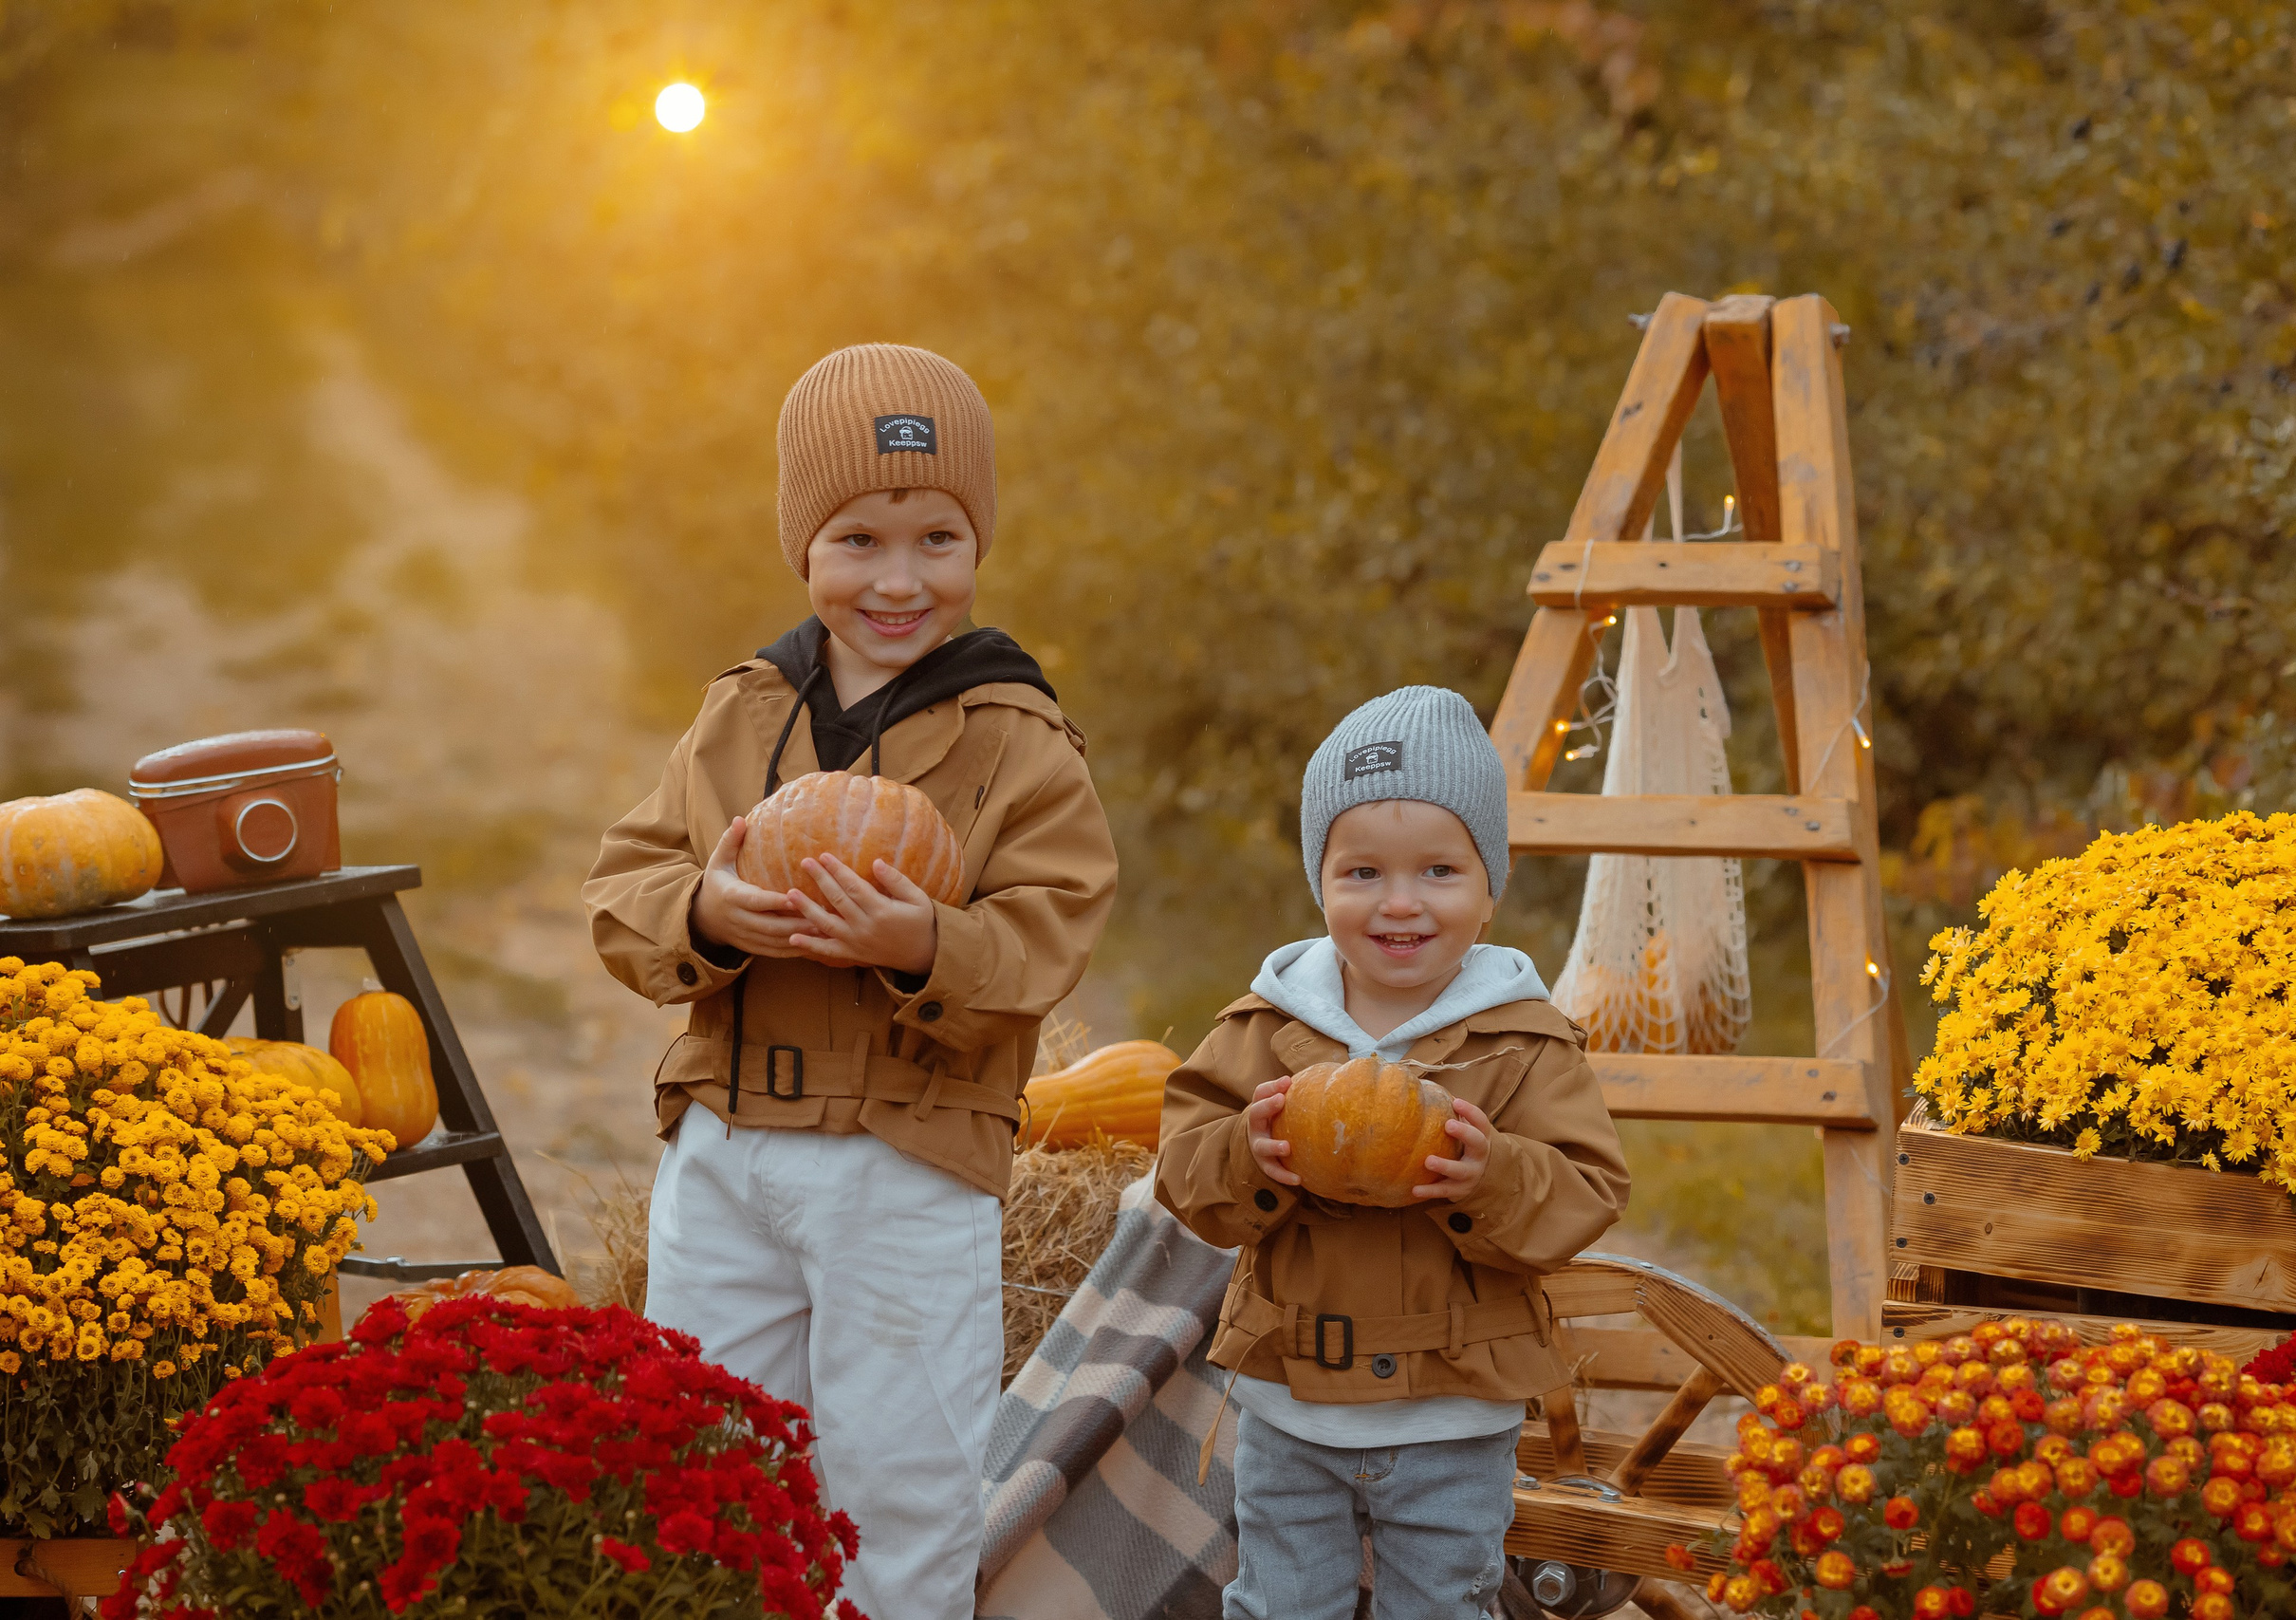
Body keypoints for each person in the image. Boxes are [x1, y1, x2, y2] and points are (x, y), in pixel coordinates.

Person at [583, 343, 1118, 1619]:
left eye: (938, 536)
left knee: (899, 1480)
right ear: (802, 546)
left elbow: (1052, 927)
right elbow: (626, 886)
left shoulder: (1017, 737)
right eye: (859, 537)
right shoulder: (742, 712)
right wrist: (706, 909)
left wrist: (925, 944)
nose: (898, 576)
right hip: (727, 1143)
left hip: (905, 1152)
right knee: (702, 1458)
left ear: (976, 541)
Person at [1155, 685, 1629, 1620]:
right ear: (1319, 881)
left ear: (1489, 889)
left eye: (1439, 872)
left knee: (1443, 1607)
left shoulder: (1525, 1043)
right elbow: (1180, 1170)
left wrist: (1491, 1179)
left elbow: (1587, 1190)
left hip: (1455, 1417)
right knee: (1280, 1605)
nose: (1400, 904)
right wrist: (1246, 1158)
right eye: (1362, 872)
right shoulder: (1262, 1029)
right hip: (1290, 1404)